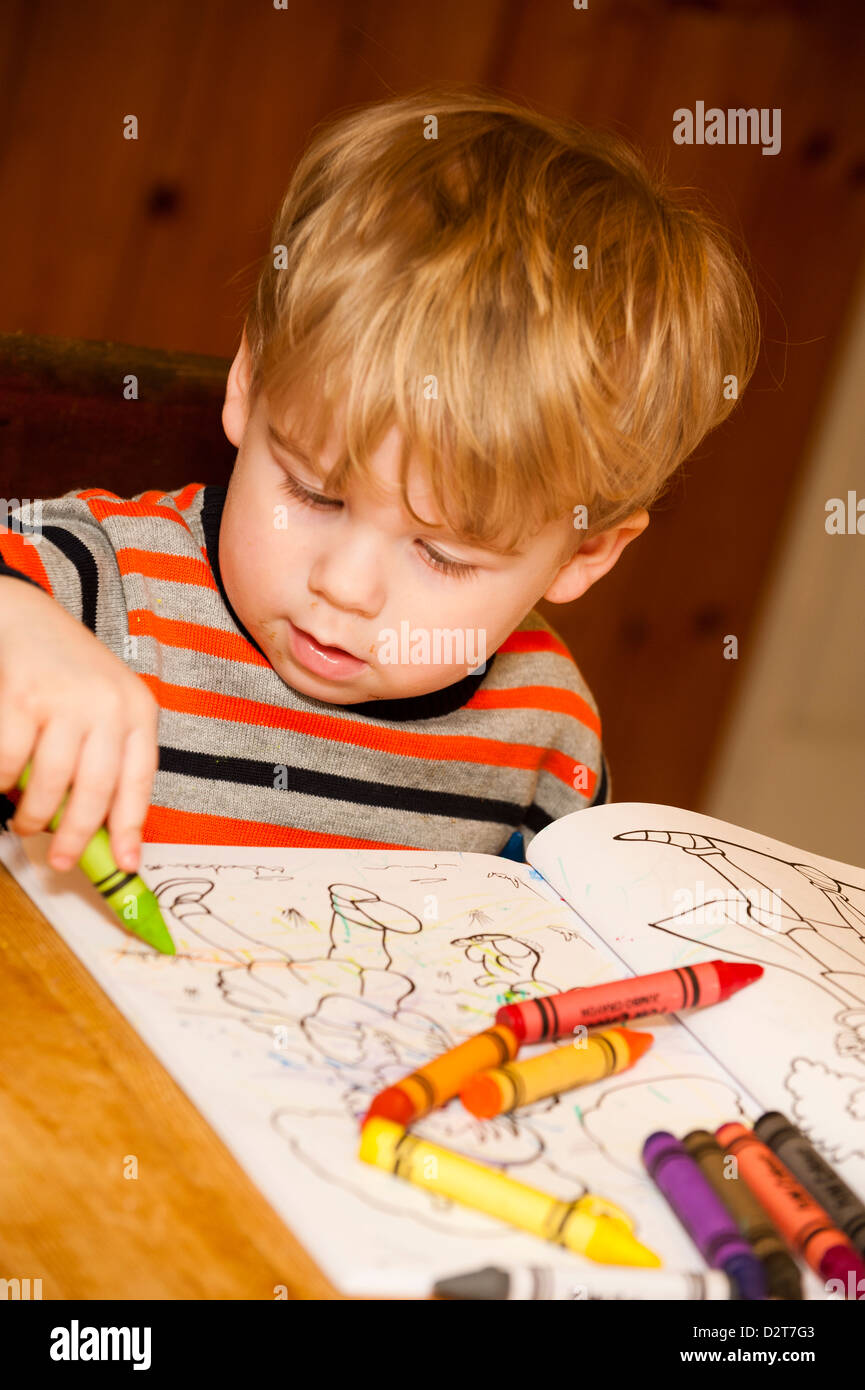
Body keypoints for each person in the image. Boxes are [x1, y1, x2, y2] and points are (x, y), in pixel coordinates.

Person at [0, 85, 759, 872]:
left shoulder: (546, 736)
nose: (347, 588)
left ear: (583, 554)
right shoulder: (94, 586)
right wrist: (15, 626)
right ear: (249, 384)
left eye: (442, 554)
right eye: (313, 493)